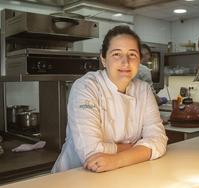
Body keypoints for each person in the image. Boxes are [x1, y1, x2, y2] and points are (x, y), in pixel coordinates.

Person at [51, 25, 168, 173]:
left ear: (139, 60)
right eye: (116, 54)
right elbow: (92, 152)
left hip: (120, 173)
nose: (125, 62)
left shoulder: (143, 89)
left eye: (132, 54)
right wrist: (138, 148)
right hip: (74, 175)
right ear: (104, 59)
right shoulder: (86, 87)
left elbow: (158, 140)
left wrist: (117, 159)